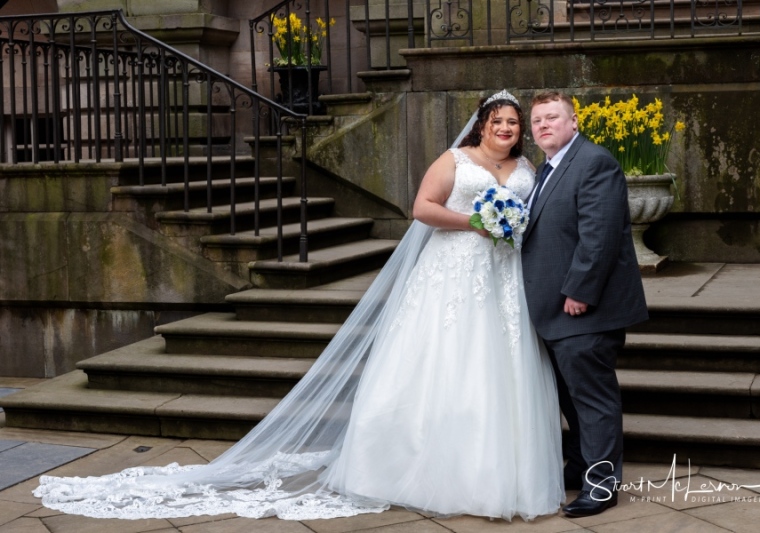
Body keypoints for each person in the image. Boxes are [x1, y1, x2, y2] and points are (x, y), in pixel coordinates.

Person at [34, 90, 564, 522]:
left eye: (513, 123)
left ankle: (493, 471)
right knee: (441, 364)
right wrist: (474, 221)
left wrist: (507, 228)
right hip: (450, 276)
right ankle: (414, 466)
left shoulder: (527, 169)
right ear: (480, 124)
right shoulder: (455, 161)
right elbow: (421, 208)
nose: (507, 129)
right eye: (499, 120)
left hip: (502, 280)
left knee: (497, 369)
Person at [521, 91, 649, 518]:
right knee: (570, 397)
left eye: (552, 117)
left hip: (584, 309)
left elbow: (601, 235)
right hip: (554, 313)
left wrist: (580, 290)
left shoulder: (594, 162)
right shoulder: (548, 169)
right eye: (537, 120)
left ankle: (602, 484)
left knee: (592, 399)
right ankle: (578, 466)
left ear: (573, 122)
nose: (543, 125)